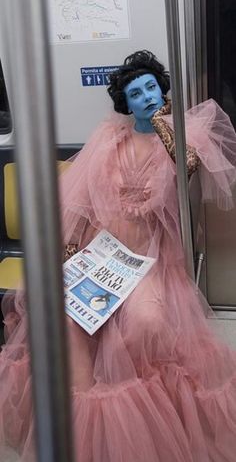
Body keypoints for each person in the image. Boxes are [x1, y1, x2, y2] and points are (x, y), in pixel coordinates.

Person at [1, 50, 236, 462]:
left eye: (150, 88)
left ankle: (142, 421)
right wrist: (73, 254)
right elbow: (83, 204)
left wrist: (165, 126)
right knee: (68, 319)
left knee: (147, 321)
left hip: (149, 260)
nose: (144, 96)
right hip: (102, 251)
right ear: (124, 102)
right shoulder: (109, 140)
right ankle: (83, 420)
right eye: (135, 92)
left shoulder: (182, 138)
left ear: (162, 92)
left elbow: (191, 166)